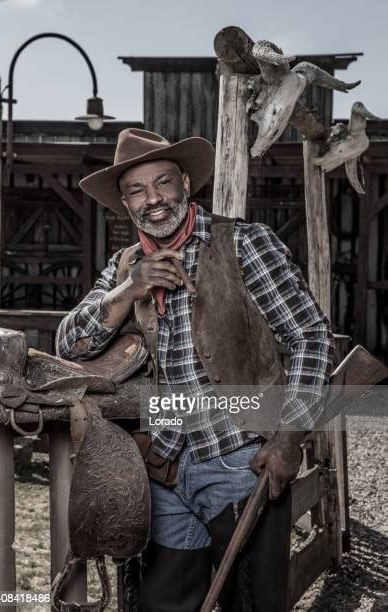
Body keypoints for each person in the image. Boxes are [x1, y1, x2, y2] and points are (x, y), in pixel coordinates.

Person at [56, 128, 335, 612]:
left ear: (185, 182)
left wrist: (290, 436)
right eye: (137, 191)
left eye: (162, 183)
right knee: (162, 603)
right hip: (161, 468)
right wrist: (127, 292)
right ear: (125, 203)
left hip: (241, 462)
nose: (154, 200)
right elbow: (70, 345)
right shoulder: (125, 266)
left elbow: (310, 338)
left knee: (251, 603)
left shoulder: (244, 244)